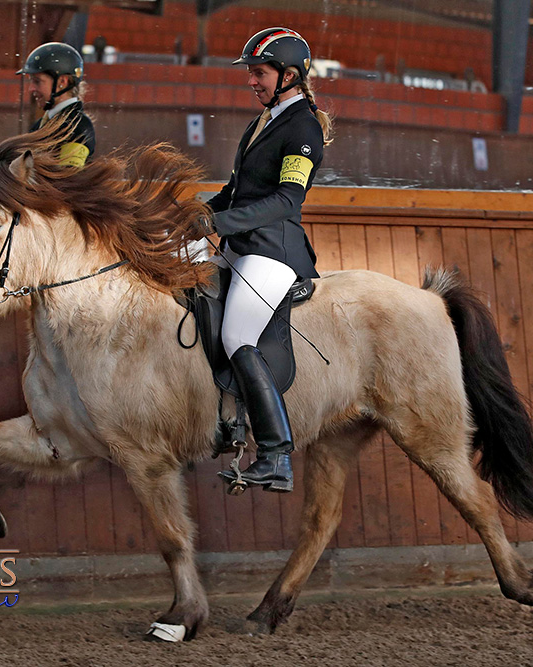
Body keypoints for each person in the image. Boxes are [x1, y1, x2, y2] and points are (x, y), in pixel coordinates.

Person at [208, 27, 332, 493]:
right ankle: (220, 418)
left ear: (290, 76)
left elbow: (285, 202)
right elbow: (235, 192)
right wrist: (199, 213)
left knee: (238, 333)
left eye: (259, 73)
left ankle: (276, 454)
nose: (252, 81)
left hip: (272, 252)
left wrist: (220, 225)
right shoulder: (262, 121)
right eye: (252, 73)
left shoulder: (303, 128)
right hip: (240, 241)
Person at [17, 42, 96, 168]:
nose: (31, 89)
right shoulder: (39, 125)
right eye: (31, 81)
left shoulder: (77, 126)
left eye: (37, 81)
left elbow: (67, 178)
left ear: (62, 82)